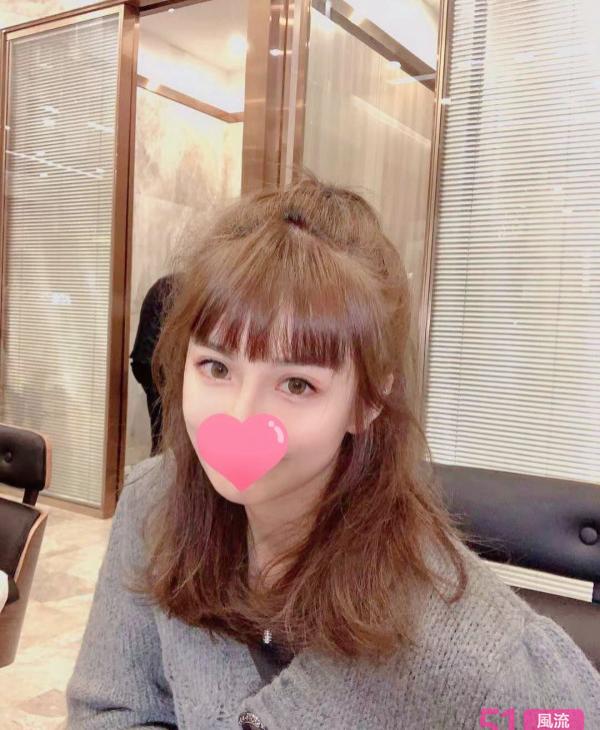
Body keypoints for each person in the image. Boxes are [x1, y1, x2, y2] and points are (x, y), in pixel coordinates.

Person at [66, 175, 600, 729]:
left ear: (366, 402)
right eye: (216, 368)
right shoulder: (153, 502)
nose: (240, 418)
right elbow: (111, 709)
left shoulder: (478, 650)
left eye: (297, 384)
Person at [130, 274, 176, 456]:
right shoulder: (180, 290)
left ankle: (158, 460)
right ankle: (159, 464)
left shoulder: (170, 284)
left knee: (160, 429)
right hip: (155, 365)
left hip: (143, 361)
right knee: (163, 433)